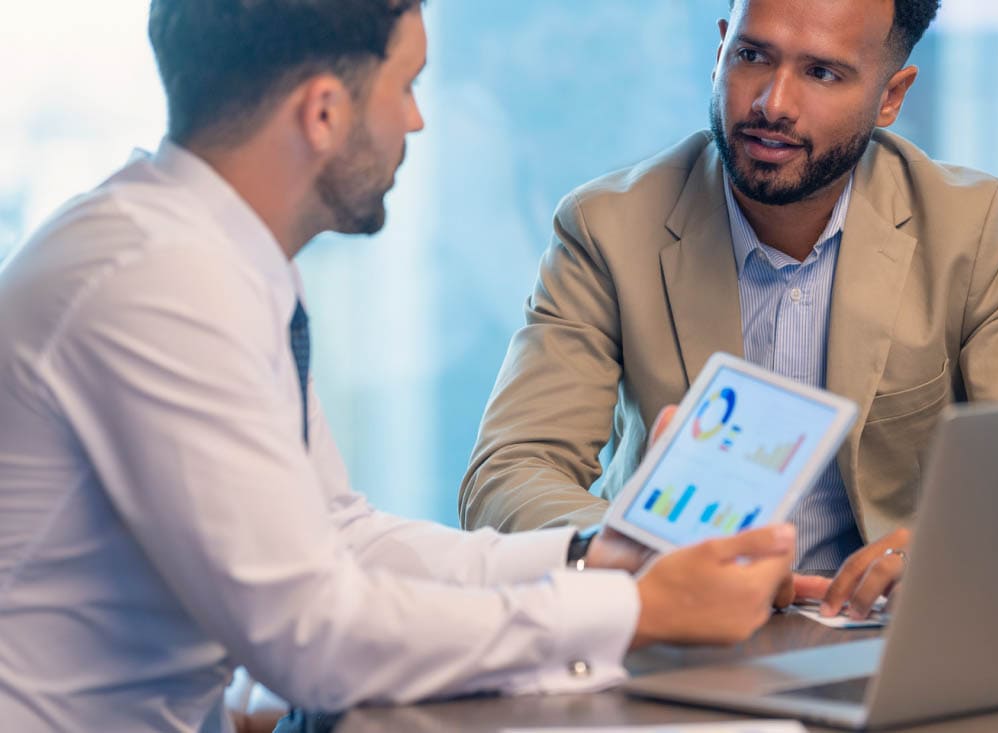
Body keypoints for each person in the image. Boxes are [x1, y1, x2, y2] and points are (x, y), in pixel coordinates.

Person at [0, 1, 799, 731]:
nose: (417, 120)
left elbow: (338, 536)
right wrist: (629, 609)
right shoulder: (160, 282)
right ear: (323, 112)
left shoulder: (215, 258)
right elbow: (311, 635)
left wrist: (595, 554)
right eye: (406, 85)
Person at [461, 0, 998, 620]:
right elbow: (509, 473)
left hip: (891, 635)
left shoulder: (976, 229)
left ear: (891, 96)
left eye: (822, 73)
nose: (772, 103)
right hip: (679, 630)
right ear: (719, 51)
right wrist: (634, 551)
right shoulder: (606, 228)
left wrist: (951, 548)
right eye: (752, 56)